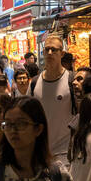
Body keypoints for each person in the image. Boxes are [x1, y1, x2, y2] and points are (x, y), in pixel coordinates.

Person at [30, 34, 78, 162]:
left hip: (65, 151)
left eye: (54, 50)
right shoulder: (35, 83)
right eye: (46, 49)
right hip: (40, 151)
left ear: (62, 54)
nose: (49, 53)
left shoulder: (72, 80)